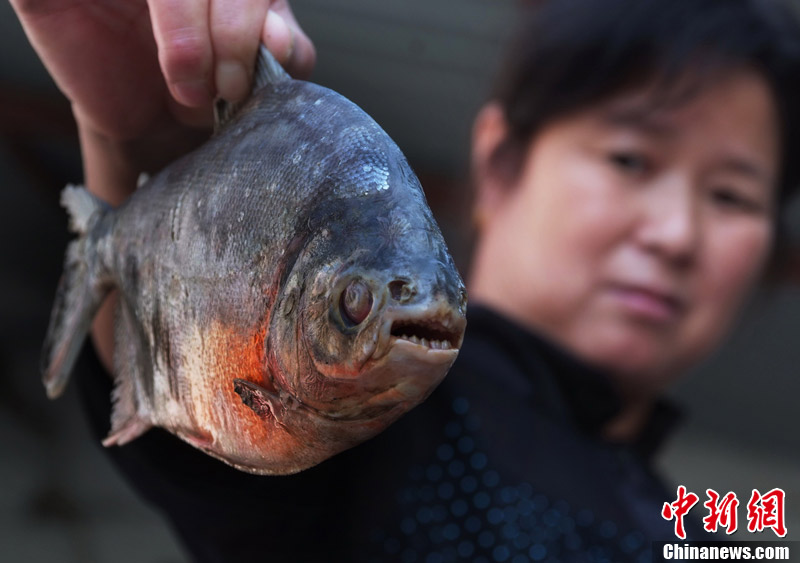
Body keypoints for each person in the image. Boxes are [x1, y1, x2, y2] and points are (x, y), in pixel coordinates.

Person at [12, 0, 800, 561]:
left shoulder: (711, 536)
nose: (676, 233)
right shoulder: (388, 413)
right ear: (499, 164)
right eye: (630, 159)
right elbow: (215, 429)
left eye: (731, 194)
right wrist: (136, 147)